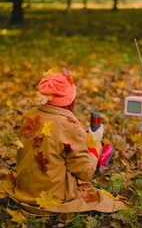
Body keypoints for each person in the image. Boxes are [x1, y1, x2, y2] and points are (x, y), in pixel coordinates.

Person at [0, 69, 127, 215]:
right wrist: (94, 145)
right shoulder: (70, 126)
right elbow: (85, 173)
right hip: (54, 194)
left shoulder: (29, 115)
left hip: (24, 188)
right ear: (70, 99)